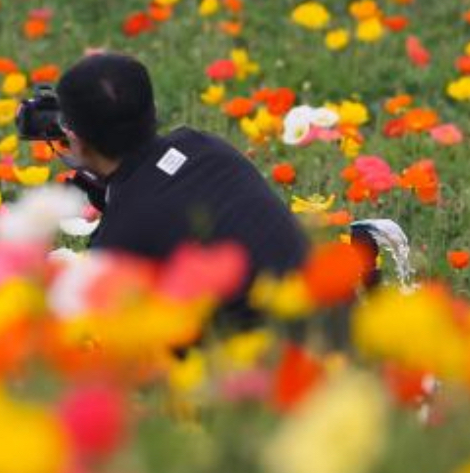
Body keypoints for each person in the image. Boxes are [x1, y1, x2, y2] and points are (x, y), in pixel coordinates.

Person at [41, 50, 309, 333]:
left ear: (75, 140)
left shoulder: (117, 243)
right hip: (323, 309)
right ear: (154, 109)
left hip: (261, 353)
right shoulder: (205, 146)